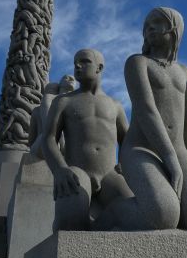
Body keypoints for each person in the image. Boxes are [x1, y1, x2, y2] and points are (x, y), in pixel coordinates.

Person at [96, 7, 187, 231]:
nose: (150, 27)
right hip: (142, 149)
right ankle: (114, 211)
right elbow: (146, 110)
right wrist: (170, 159)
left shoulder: (184, 72)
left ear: (175, 29)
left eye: (158, 22)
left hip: (179, 151)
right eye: (147, 24)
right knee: (164, 215)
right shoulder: (137, 63)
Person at [42, 49, 133, 231]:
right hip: (77, 173)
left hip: (109, 175)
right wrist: (60, 170)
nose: (77, 65)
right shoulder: (63, 101)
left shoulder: (115, 106)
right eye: (75, 62)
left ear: (99, 68)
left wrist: (125, 164)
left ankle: (97, 226)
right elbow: (49, 138)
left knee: (134, 215)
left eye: (84, 61)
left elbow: (128, 141)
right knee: (69, 225)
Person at [29, 74, 75, 158]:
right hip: (51, 142)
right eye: (66, 78)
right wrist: (60, 139)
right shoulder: (50, 98)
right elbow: (48, 125)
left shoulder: (75, 103)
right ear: (60, 84)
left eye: (73, 79)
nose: (71, 79)